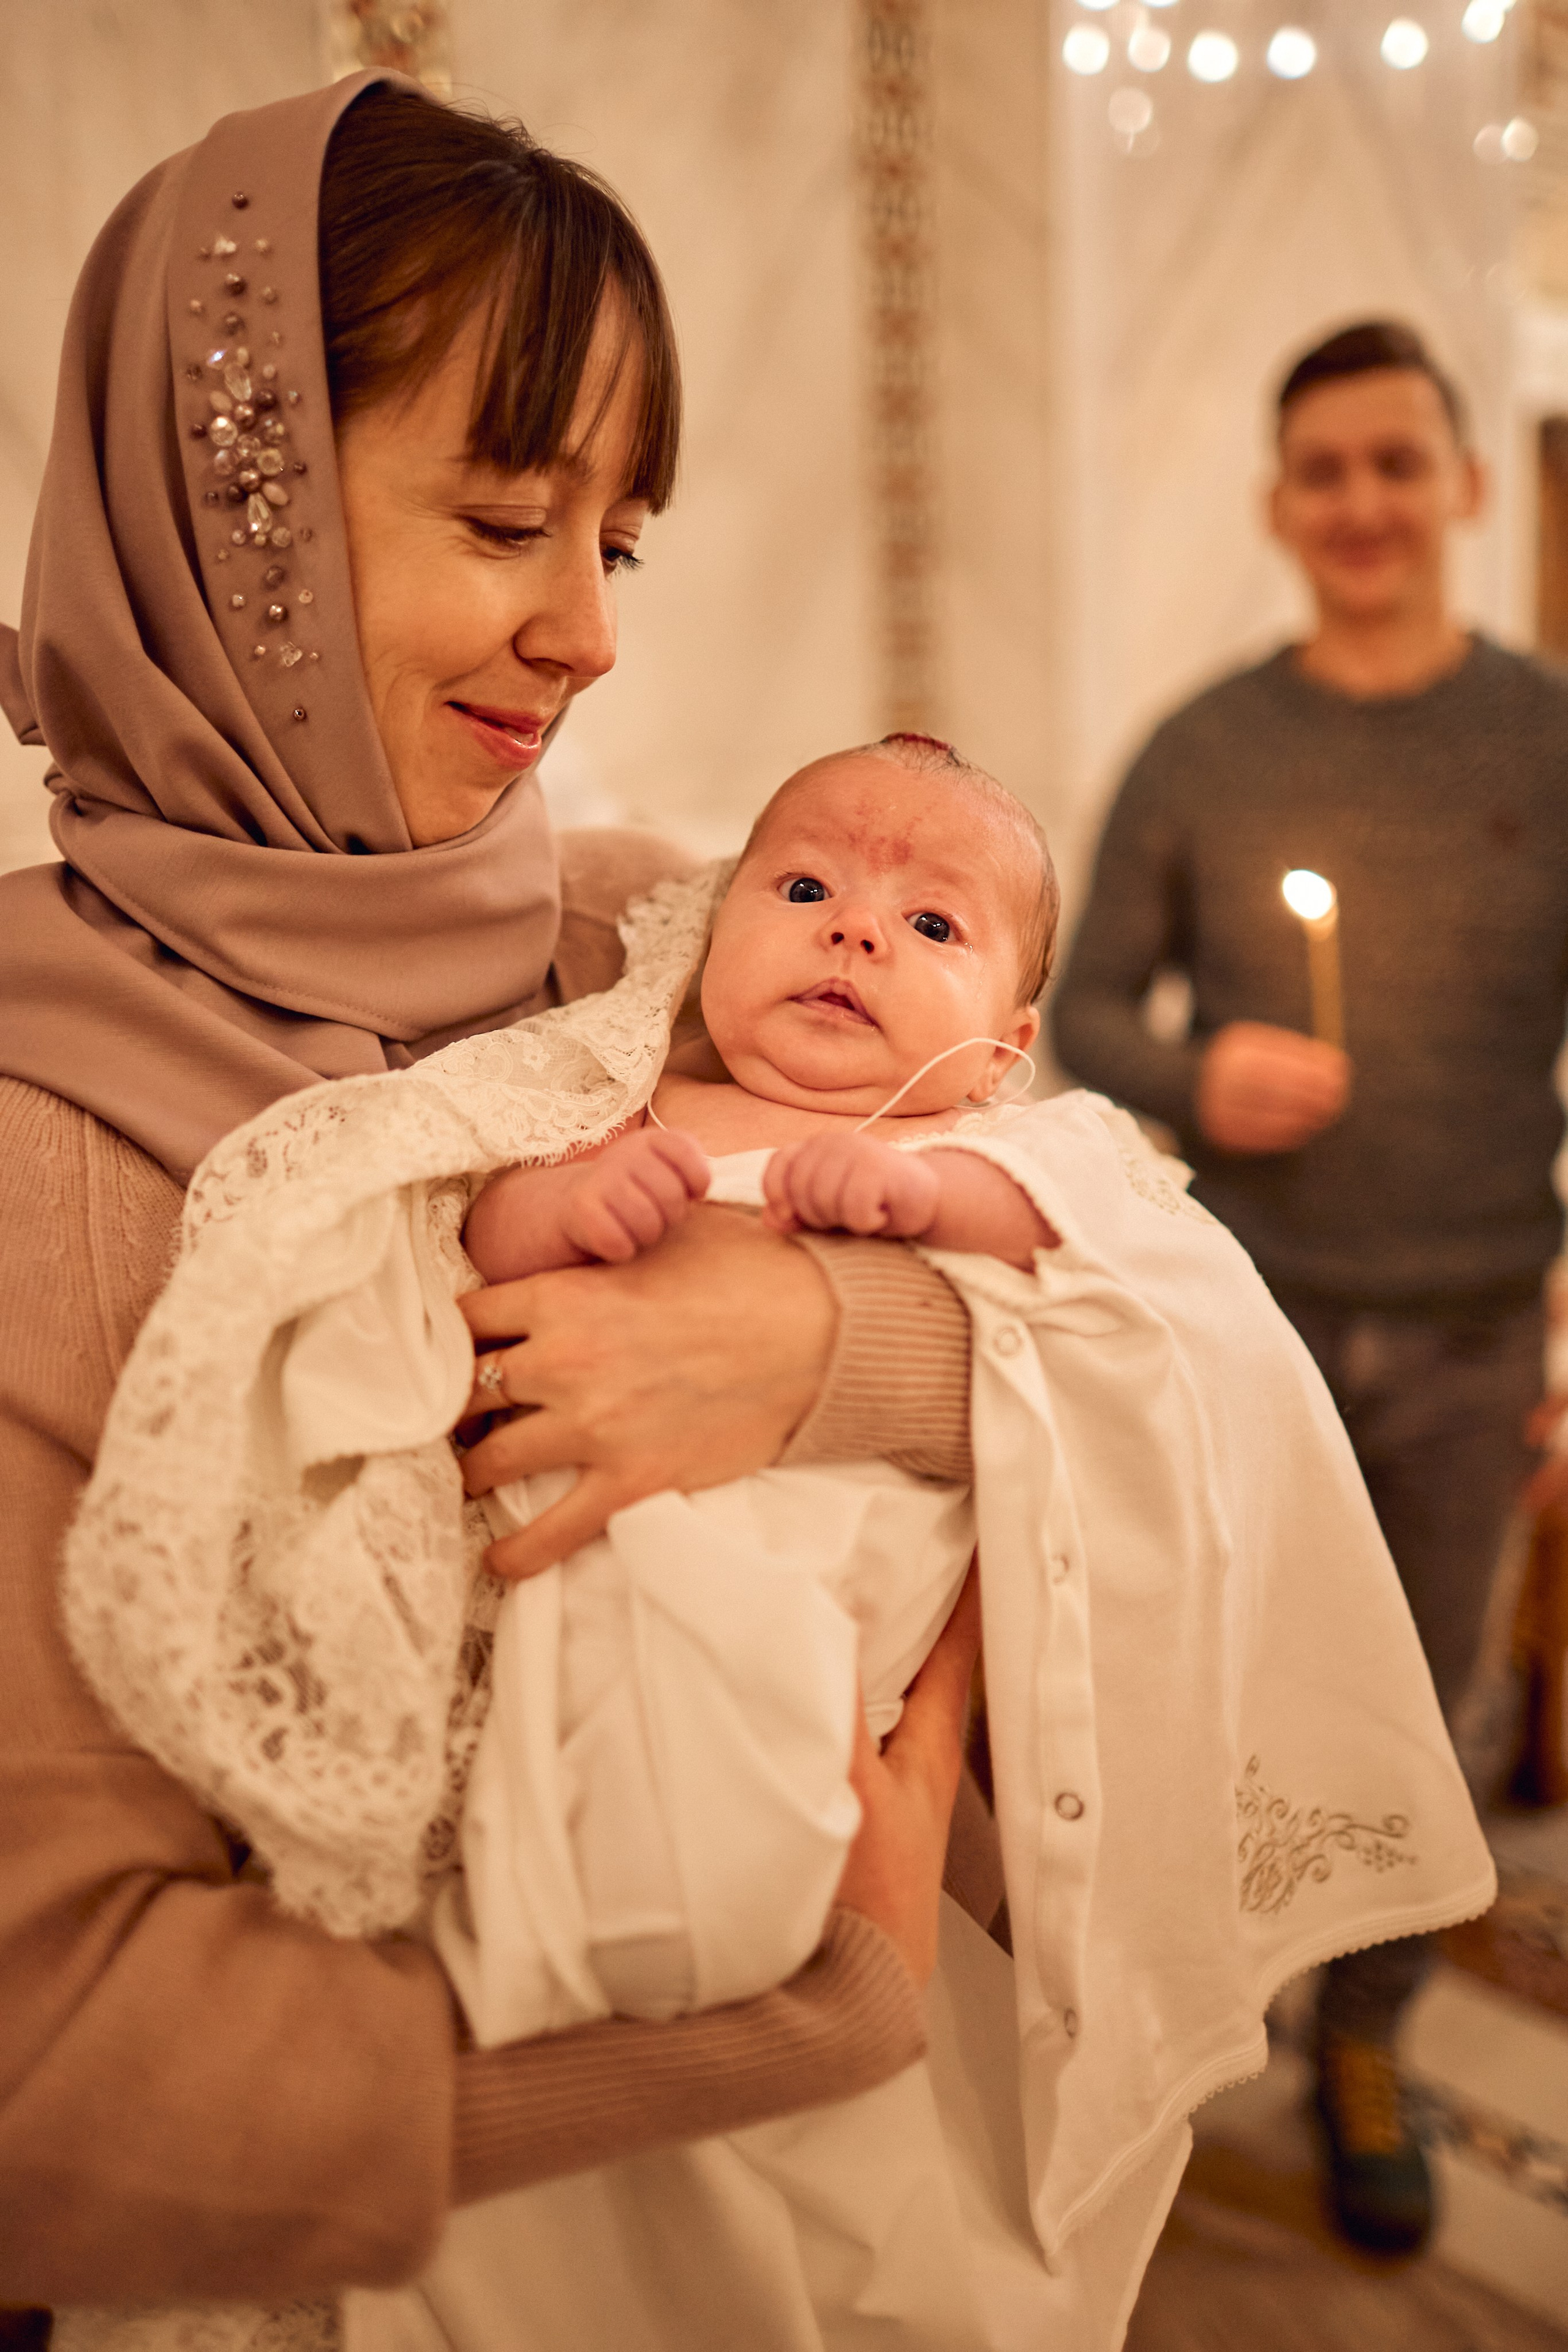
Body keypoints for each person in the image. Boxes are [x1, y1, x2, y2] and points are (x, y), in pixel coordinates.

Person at [66, 737, 1496, 2351]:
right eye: (806, 888)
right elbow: (470, 1238)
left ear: (1004, 1047)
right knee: (585, 1990)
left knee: (816, 2070)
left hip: (836, 1657)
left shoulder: (1007, 1149)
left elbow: (1119, 1261)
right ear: (712, 931)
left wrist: (925, 1208)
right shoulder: (610, 1095)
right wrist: (568, 1212)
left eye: (933, 925)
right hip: (576, 1636)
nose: (857, 932)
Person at [0, 75, 991, 2327]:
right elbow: (48, 2077)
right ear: (222, 529)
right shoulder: (28, 1135)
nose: (592, 636)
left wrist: (821, 1348)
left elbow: (1149, 1287)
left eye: (613, 542)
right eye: (503, 519)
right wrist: (782, 2029)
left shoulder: (658, 944)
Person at [1050, 317, 1568, 2256]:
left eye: (1395, 462)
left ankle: (1366, 2042)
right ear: (1281, 506)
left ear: (1465, 485)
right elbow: (1086, 1004)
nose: (1362, 503)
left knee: (1417, 1718)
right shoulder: (1206, 747)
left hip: (1469, 1335)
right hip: (1238, 1329)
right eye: (1324, 471)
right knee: (1199, 1700)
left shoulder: (1548, 737)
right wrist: (1201, 1075)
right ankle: (1186, 2039)